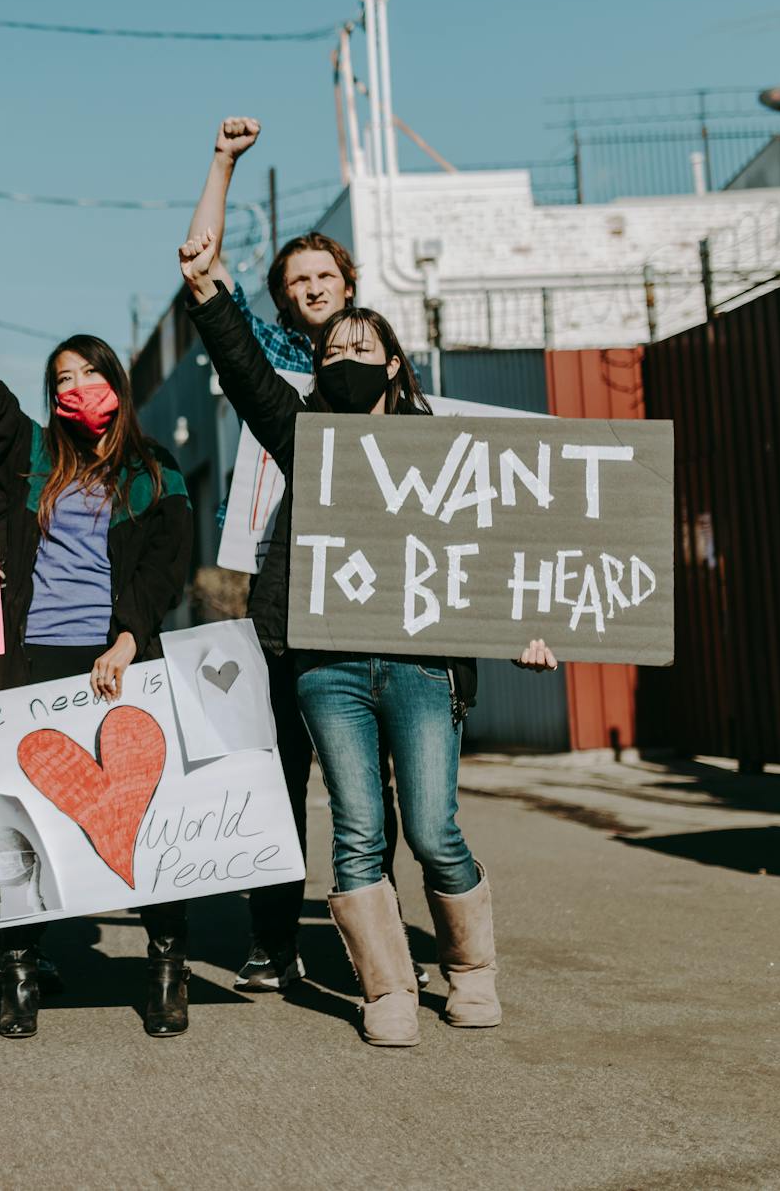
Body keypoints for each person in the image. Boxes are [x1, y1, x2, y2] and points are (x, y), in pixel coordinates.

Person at [179, 123, 558, 1047]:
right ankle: (385, 990)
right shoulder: (298, 429)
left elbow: (501, 549)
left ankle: (470, 969)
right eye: (329, 345)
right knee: (354, 832)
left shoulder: (445, 449)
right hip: (328, 666)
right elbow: (211, 297)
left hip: (425, 665)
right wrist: (221, 165)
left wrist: (526, 627)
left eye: (359, 339)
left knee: (432, 830)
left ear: (391, 360)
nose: (340, 348)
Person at [184, 120, 407, 994]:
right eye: (298, 281)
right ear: (285, 301)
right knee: (280, 769)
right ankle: (273, 939)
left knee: (370, 776)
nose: (314, 288)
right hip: (282, 583)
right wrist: (223, 164)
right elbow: (206, 274)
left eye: (326, 275)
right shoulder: (276, 360)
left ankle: (372, 936)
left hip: (373, 591)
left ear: (350, 284)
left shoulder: (390, 365)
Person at [0, 270, 196, 1040]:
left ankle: (164, 962)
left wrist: (127, 636)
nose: (78, 386)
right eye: (63, 377)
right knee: (21, 818)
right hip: (33, 660)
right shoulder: (30, 459)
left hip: (118, 658)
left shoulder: (154, 470)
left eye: (90, 372)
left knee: (147, 819)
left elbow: (167, 563)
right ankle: (18, 967)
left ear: (116, 381)